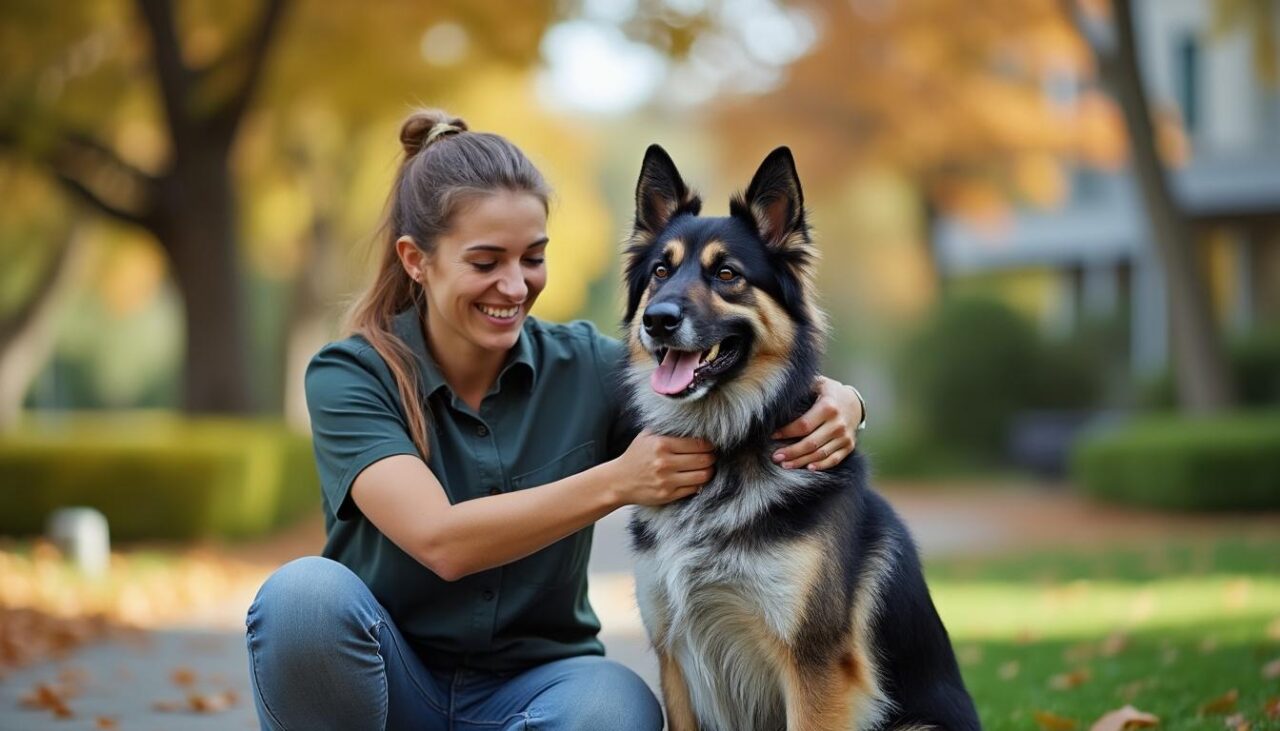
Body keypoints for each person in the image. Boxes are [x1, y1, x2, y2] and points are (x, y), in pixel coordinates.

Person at [244, 109, 866, 731]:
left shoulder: (593, 367)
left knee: (613, 712)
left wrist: (843, 401)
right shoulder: (351, 374)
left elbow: (735, 397)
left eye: (533, 258)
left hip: (540, 689)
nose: (514, 286)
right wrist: (618, 481)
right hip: (389, 681)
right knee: (301, 599)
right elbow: (440, 541)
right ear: (416, 260)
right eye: (486, 263)